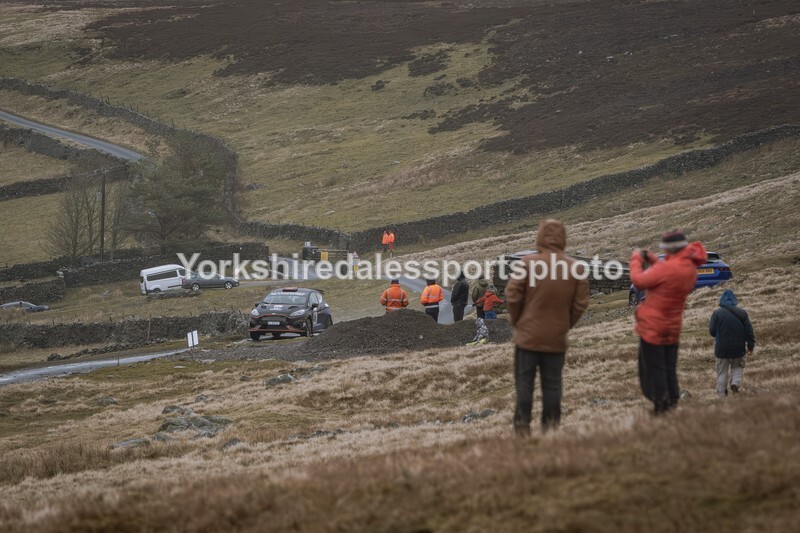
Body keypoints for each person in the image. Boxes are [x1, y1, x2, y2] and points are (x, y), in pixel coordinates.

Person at [506, 219, 589, 436]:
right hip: (556, 338)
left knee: (524, 384)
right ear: (563, 238)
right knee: (552, 385)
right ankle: (550, 430)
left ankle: (522, 429)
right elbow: (581, 303)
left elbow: (512, 295)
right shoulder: (575, 268)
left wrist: (518, 321)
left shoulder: (527, 263)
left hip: (527, 337)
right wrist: (565, 324)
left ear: (540, 236)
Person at [630, 230, 707, 415]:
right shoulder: (688, 268)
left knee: (653, 367)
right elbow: (667, 271)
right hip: (672, 325)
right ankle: (672, 402)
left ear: (669, 249)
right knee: (669, 366)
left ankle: (661, 405)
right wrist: (655, 260)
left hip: (653, 325)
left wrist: (635, 259)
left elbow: (638, 281)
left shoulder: (667, 269)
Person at [709, 289, 755, 397]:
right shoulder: (743, 313)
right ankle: (735, 383)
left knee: (722, 372)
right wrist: (750, 346)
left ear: (721, 301)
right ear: (735, 300)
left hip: (722, 347)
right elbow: (749, 331)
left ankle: (721, 394)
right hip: (738, 347)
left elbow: (712, 331)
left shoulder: (716, 313)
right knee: (738, 366)